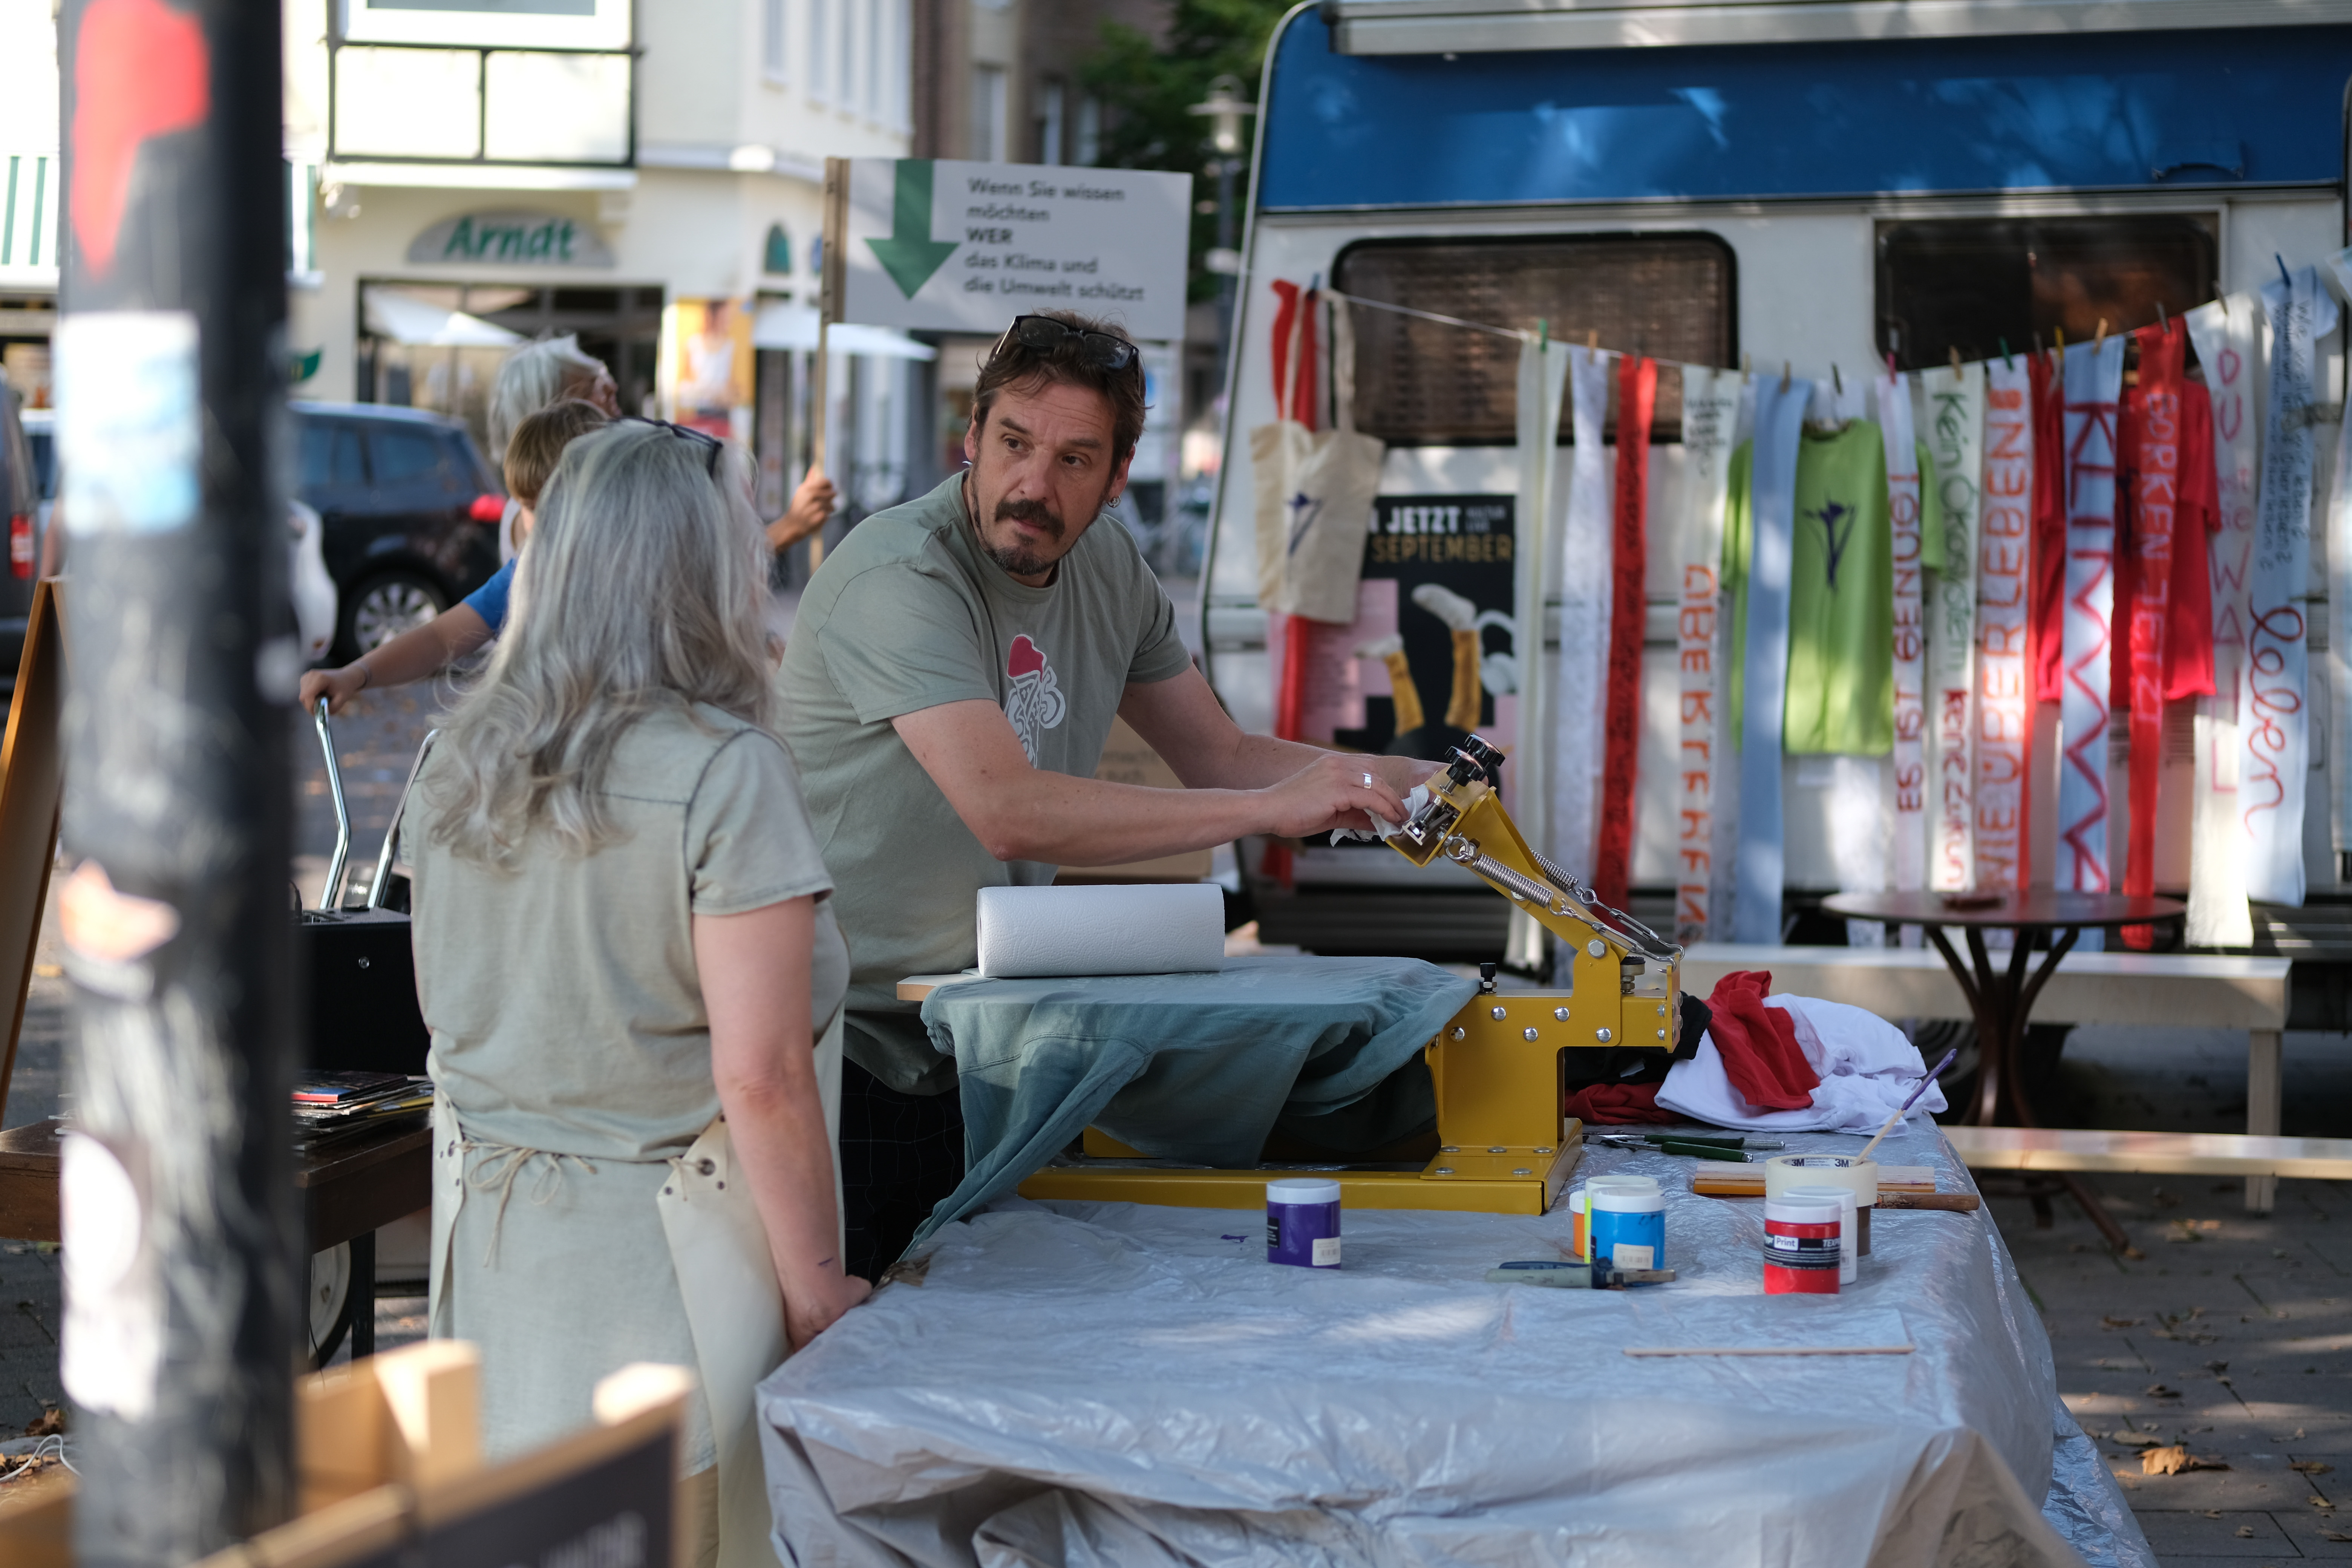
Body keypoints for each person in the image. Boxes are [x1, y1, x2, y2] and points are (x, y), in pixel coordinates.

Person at [777, 309, 1432, 1279]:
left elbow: (1219, 752)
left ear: (1118, 475)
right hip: (845, 1056)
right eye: (1013, 445)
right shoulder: (899, 572)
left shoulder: (1111, 566)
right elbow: (1009, 807)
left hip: (980, 1038)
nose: (1033, 486)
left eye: (1076, 459)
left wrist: (1411, 787)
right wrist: (1272, 809)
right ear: (971, 438)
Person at [406, 420, 866, 1565]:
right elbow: (759, 1079)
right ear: (702, 566)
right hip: (670, 1305)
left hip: (492, 1298)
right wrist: (821, 1300)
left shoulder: (455, 758)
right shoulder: (723, 772)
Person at [300, 399, 609, 714]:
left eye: (559, 505)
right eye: (531, 506)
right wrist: (356, 674)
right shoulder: (529, 575)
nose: (546, 523)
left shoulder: (632, 572)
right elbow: (439, 638)